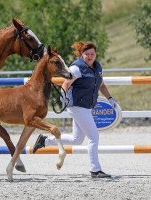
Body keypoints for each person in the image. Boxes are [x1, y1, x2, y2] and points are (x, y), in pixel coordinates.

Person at [33, 41, 117, 178]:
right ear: (81, 54)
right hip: (77, 106)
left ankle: (45, 140)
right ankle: (95, 170)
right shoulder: (77, 68)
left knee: (76, 139)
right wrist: (63, 97)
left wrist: (111, 99)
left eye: (92, 54)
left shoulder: (97, 67)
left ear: (96, 54)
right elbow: (66, 83)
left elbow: (101, 84)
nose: (90, 56)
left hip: (86, 106)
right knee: (94, 137)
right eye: (87, 54)